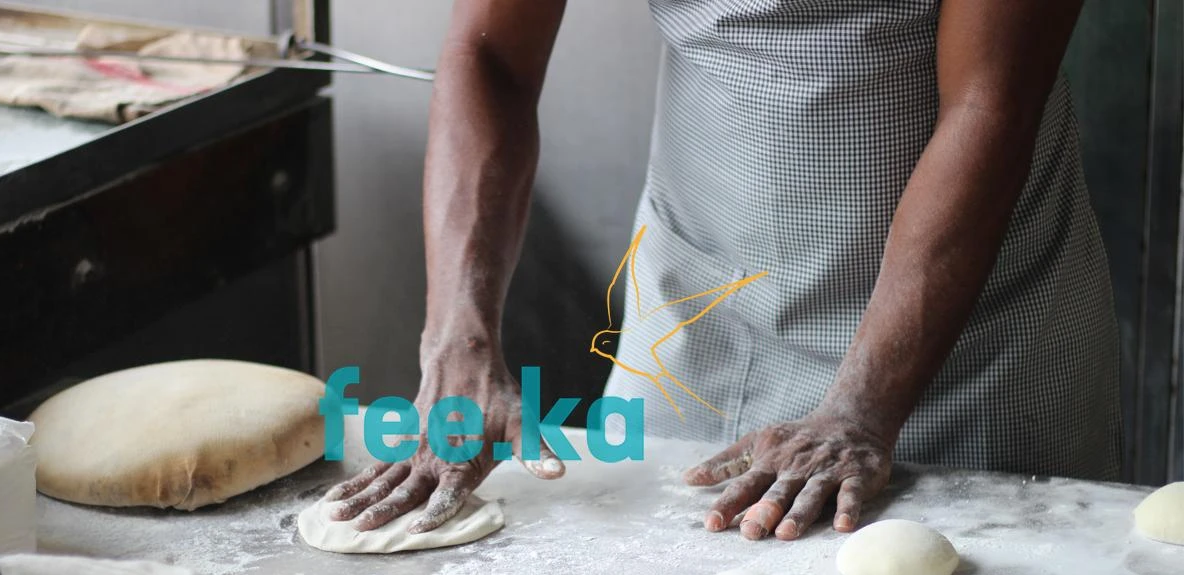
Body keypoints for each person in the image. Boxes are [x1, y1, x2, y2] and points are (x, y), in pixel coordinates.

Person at [325, 0, 1121, 541]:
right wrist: (458, 337)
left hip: (969, 338)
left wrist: (862, 407)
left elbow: (991, 100)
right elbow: (491, 53)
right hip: (698, 301)